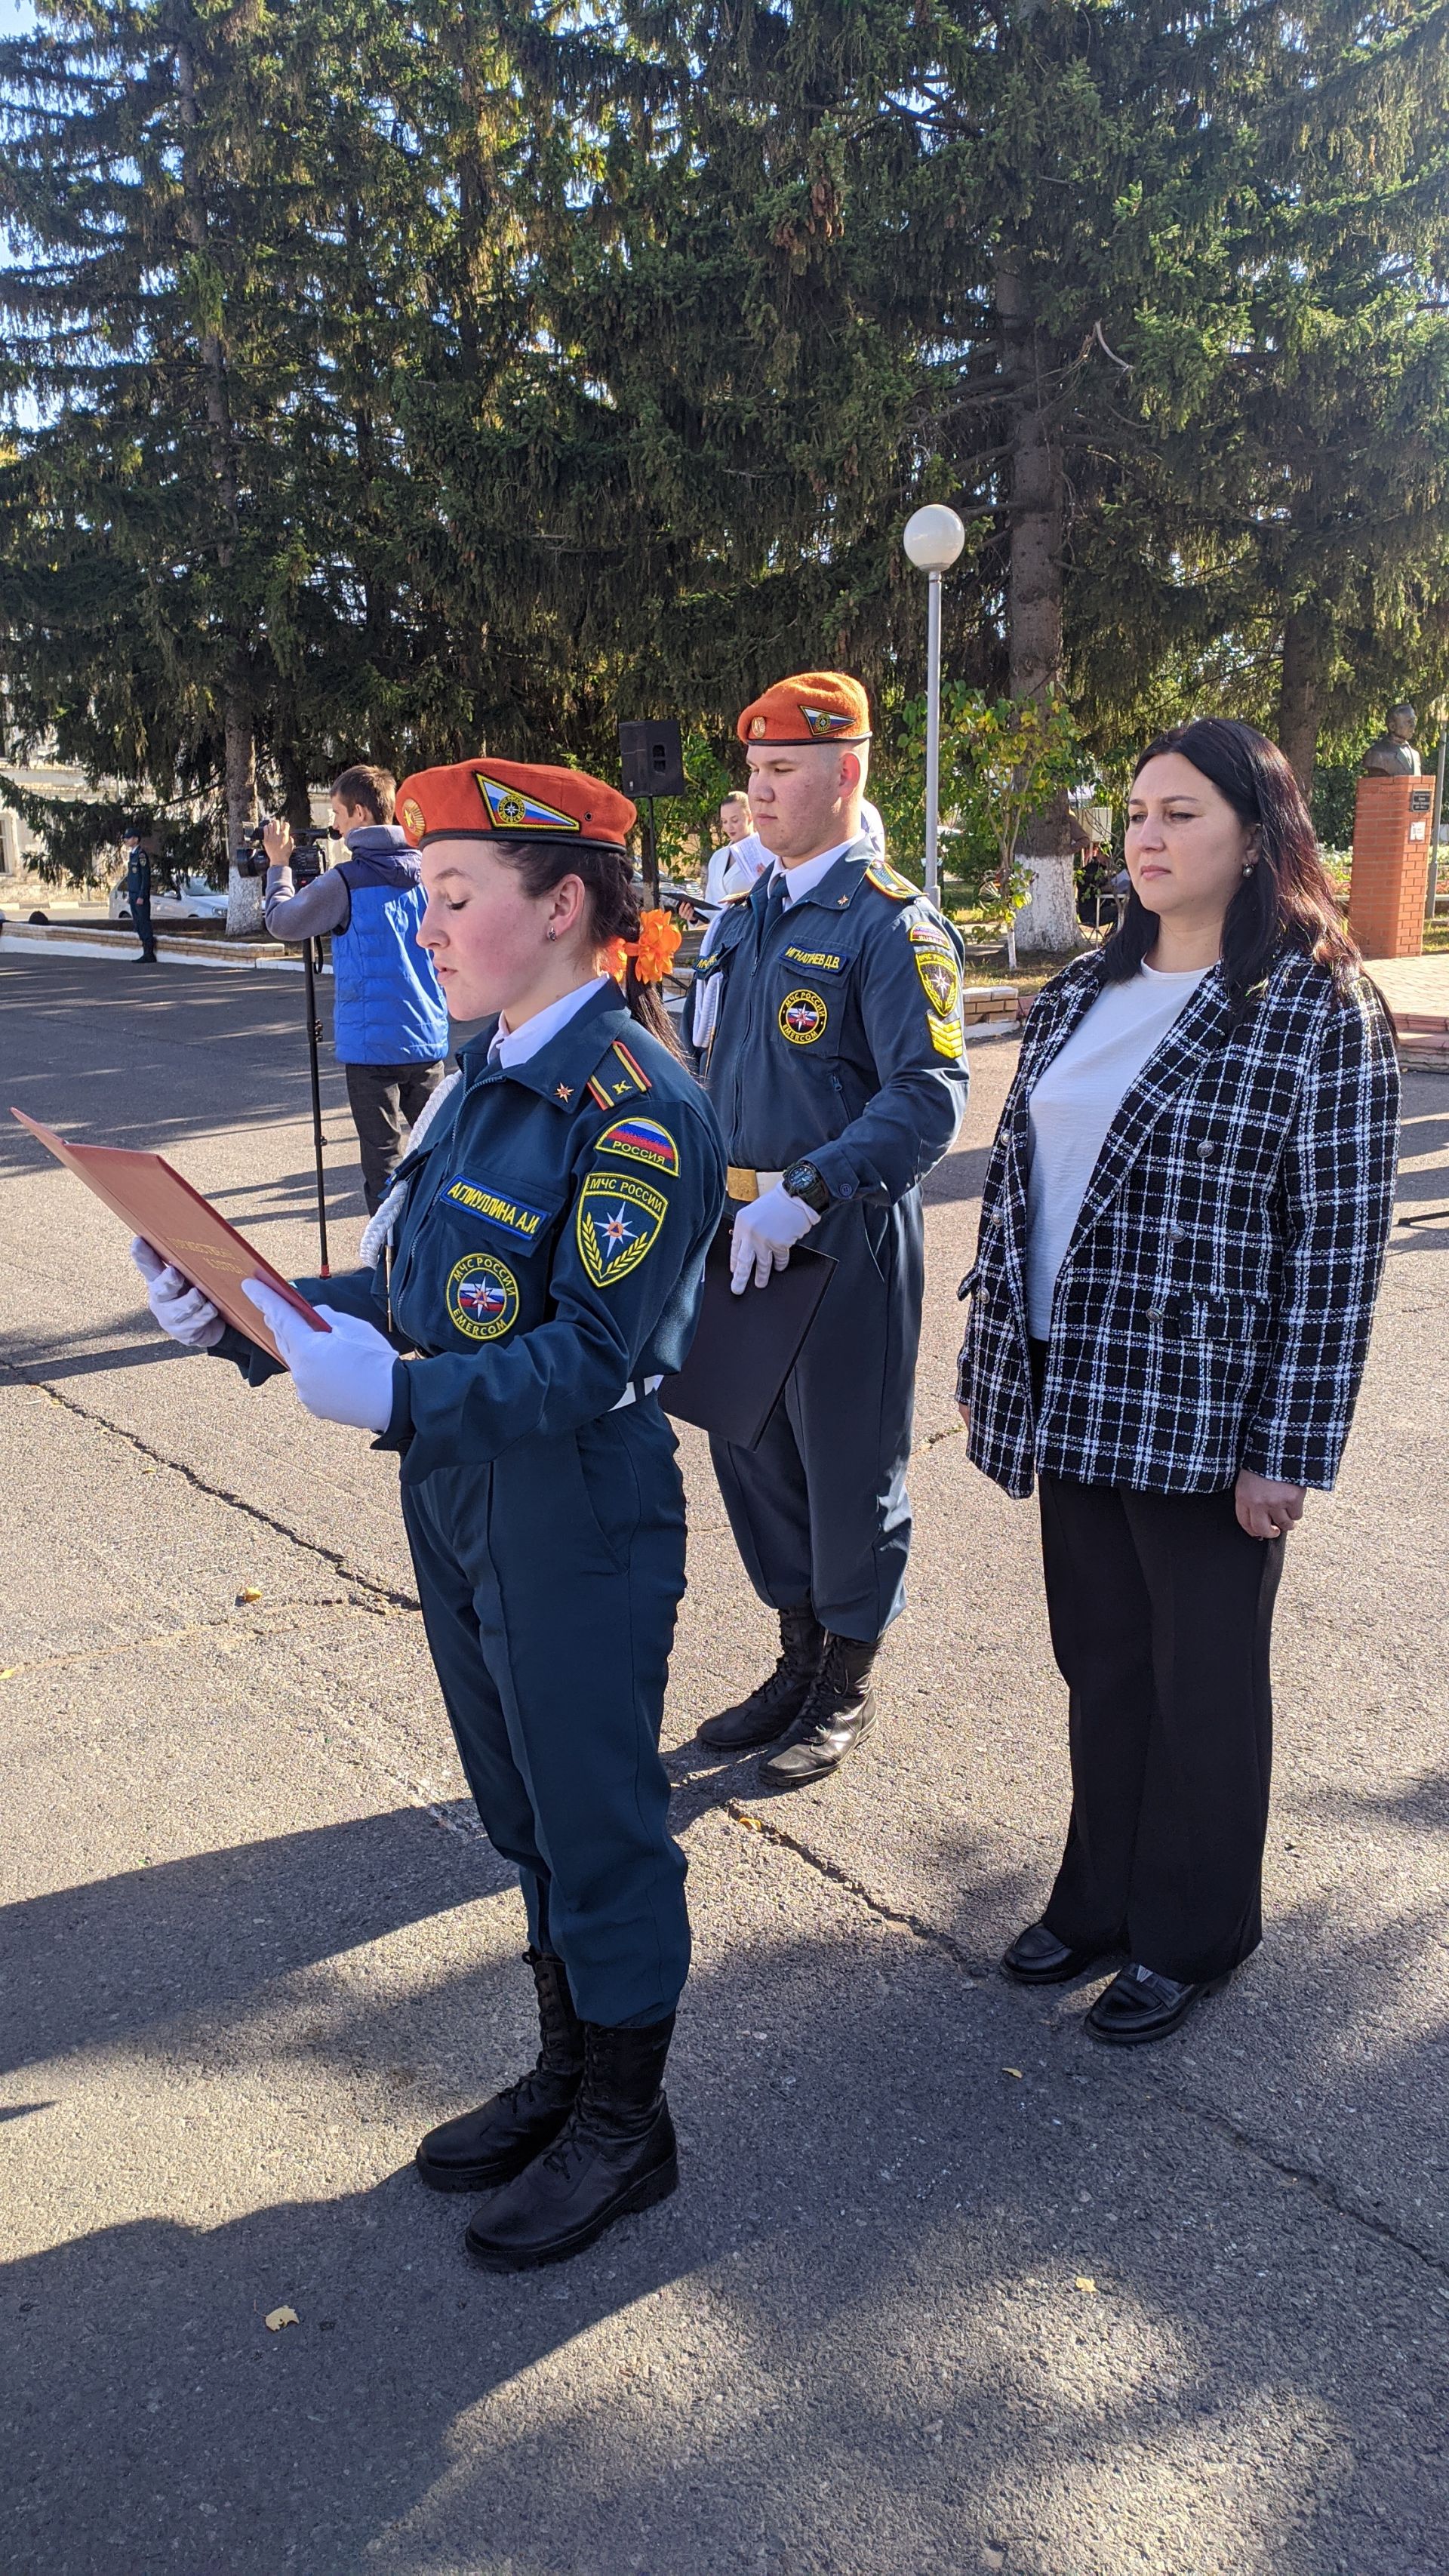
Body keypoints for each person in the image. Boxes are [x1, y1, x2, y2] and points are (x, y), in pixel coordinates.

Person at [131, 756, 726, 2268]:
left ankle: (626, 2120)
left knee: (597, 1817)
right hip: (460, 1492)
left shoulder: (637, 1106)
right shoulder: (483, 1065)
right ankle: (564, 2065)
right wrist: (248, 1309)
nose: (428, 923)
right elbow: (414, 1292)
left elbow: (592, 1350)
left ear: (567, 903)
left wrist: (395, 1397)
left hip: (572, 1500)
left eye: (458, 895)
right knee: (520, 1798)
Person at [957, 718, 1399, 2045]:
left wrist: (1291, 1449)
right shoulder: (1090, 986)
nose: (1146, 837)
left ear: (1258, 836)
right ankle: (1099, 1896)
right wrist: (994, 1363)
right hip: (1074, 1379)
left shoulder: (1318, 1005)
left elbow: (1336, 1252)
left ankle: (1194, 1928)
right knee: (1101, 1662)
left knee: (1201, 1677)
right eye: (1138, 812)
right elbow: (1019, 1190)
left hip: (1210, 1408)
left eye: (1182, 813)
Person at [691, 671, 968, 1786]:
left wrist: (808, 1185)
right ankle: (797, 1653)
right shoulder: (750, 910)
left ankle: (846, 1678)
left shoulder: (892, 922)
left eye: (781, 773)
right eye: (752, 772)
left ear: (845, 773)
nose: (757, 793)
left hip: (835, 1229)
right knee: (749, 1448)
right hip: (736, 1225)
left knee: (848, 1463)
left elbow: (930, 1093)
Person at [261, 765, 450, 1213]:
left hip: (371, 1050)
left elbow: (282, 922)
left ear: (361, 814)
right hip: (427, 1039)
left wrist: (278, 867)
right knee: (439, 1157)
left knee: (384, 1166)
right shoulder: (431, 871)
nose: (336, 826)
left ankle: (387, 1270)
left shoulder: (346, 880)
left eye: (340, 816)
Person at [121, 827, 157, 964]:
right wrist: (131, 894)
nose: (126, 840)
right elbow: (133, 878)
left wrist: (142, 895)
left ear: (136, 839)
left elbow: (145, 878)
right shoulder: (133, 855)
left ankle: (149, 953)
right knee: (137, 923)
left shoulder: (141, 855)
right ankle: (145, 950)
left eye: (129, 838)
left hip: (140, 896)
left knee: (144, 922)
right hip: (134, 895)